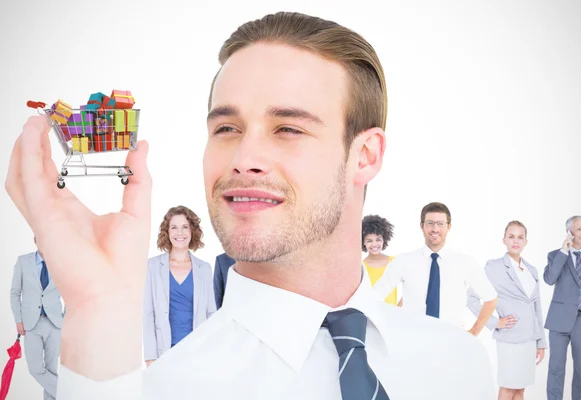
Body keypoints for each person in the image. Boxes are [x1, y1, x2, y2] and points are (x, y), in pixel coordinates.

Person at [6, 12, 495, 400]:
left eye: (288, 128)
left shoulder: (459, 367)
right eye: (226, 128)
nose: (244, 159)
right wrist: (98, 311)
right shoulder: (165, 391)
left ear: (365, 156)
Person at [373, 202, 498, 334]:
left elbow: (490, 298)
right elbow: (375, 296)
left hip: (451, 340)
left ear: (449, 227)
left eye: (440, 224)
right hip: (413, 339)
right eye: (430, 223)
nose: (435, 229)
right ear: (422, 226)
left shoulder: (465, 263)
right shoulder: (403, 261)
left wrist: (473, 332)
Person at [467, 221, 546, 400]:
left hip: (529, 338)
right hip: (509, 338)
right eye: (511, 237)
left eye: (520, 237)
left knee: (520, 390)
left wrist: (541, 342)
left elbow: (537, 308)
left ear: (526, 241)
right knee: (509, 387)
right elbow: (471, 298)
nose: (515, 241)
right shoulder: (494, 267)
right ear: (504, 240)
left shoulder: (531, 270)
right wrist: (495, 322)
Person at [144, 206, 216, 367]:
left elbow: (211, 313)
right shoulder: (153, 266)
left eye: (185, 227)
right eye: (174, 227)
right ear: (167, 232)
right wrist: (150, 357)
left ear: (192, 231)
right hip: (164, 351)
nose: (180, 233)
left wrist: (212, 351)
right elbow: (148, 314)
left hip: (196, 351)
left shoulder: (203, 268)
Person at [544, 216, 581, 400]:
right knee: (556, 368)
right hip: (559, 320)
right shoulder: (556, 255)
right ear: (569, 232)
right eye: (579, 230)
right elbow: (549, 279)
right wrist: (564, 250)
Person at [9, 237, 64, 399]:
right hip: (31, 324)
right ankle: (68, 393)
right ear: (35, 240)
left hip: (55, 324)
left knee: (51, 369)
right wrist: (18, 319)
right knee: (35, 368)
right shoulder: (23, 262)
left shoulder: (61, 264)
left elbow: (70, 293)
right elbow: (15, 292)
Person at [361, 215, 398, 305]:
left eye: (378, 240)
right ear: (363, 242)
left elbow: (410, 286)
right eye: (369, 241)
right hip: (369, 315)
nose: (374, 244)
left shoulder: (394, 262)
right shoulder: (361, 267)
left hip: (391, 315)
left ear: (384, 240)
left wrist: (399, 308)